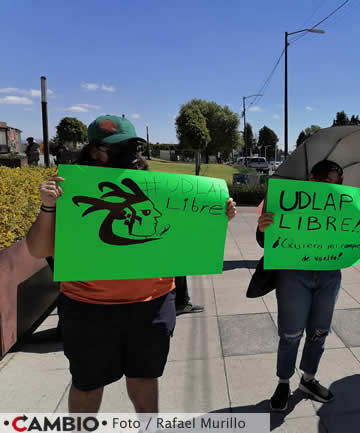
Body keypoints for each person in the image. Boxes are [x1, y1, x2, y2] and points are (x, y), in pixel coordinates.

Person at [25, 115, 237, 413]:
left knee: (145, 380)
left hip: (151, 306)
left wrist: (216, 215)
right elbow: (37, 249)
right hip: (89, 309)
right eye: (119, 147)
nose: (131, 154)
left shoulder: (158, 187)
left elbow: (184, 233)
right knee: (87, 385)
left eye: (132, 146)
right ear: (97, 150)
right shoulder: (70, 187)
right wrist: (48, 206)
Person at [256, 160, 360, 411]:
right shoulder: (289, 198)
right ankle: (283, 382)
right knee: (290, 333)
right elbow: (264, 240)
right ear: (311, 178)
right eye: (326, 181)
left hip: (329, 275)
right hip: (293, 274)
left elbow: (356, 231)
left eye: (337, 183)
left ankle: (308, 379)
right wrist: (263, 227)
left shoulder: (341, 204)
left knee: (319, 331)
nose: (332, 187)